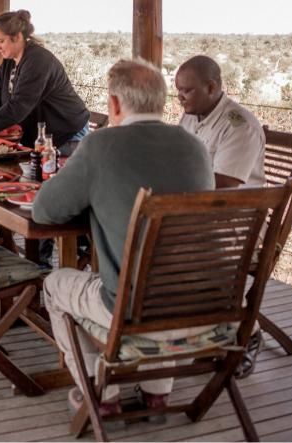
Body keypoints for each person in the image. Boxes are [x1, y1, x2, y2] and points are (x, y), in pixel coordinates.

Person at [32, 59, 215, 416]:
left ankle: (101, 392)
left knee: (55, 285)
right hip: (199, 306)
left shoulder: (102, 145)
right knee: (154, 277)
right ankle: (156, 391)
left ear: (114, 104)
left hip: (129, 309)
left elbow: (44, 212)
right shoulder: (195, 148)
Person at [0, 10, 89, 155]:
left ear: (17, 37)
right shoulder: (9, 63)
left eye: (1, 41)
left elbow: (19, 105)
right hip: (42, 138)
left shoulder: (37, 60)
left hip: (67, 136)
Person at [175, 55, 266, 187]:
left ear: (211, 88)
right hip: (195, 198)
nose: (180, 97)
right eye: (179, 90)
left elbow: (224, 184)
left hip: (233, 204)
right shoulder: (191, 116)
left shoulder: (241, 127)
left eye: (187, 90)